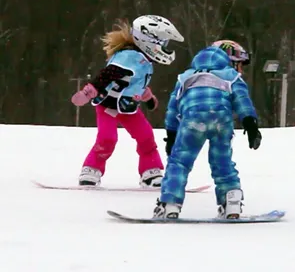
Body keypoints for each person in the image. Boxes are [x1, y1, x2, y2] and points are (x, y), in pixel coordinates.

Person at [70, 15, 184, 188]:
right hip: (108, 104)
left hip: (128, 106)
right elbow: (110, 73)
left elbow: (135, 82)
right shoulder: (130, 56)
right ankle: (91, 168)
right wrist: (91, 89)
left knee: (146, 136)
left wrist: (147, 96)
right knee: (107, 138)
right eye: (163, 43)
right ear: (150, 40)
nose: (165, 48)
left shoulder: (144, 60)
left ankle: (150, 170)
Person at [153, 39, 262, 219]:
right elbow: (242, 100)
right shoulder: (230, 75)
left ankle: (170, 204)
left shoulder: (185, 77)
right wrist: (250, 125)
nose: (240, 70)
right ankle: (231, 201)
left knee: (179, 162)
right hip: (221, 120)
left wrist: (171, 135)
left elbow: (173, 108)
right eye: (239, 64)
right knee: (222, 161)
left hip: (192, 120)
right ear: (229, 59)